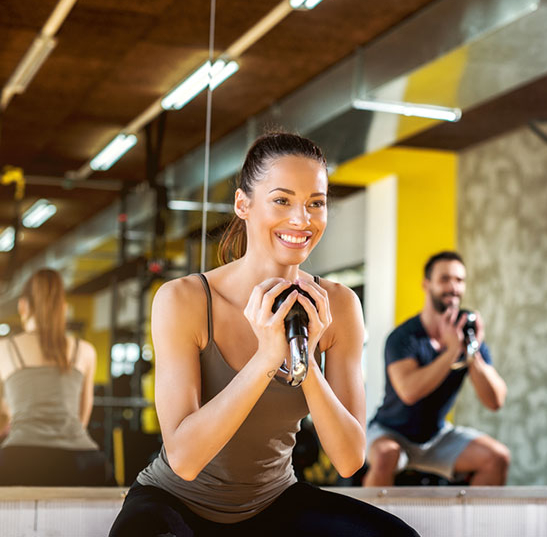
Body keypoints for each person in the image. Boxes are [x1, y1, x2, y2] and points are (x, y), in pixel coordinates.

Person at [109, 132, 418, 536]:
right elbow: (184, 459)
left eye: (316, 203)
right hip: (176, 503)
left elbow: (348, 459)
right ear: (243, 204)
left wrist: (303, 360)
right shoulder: (184, 300)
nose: (301, 219)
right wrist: (266, 359)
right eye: (282, 200)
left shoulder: (338, 306)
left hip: (273, 502)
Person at [363, 251, 510, 486]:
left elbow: (495, 401)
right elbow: (409, 392)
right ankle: (368, 523)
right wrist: (451, 351)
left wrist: (471, 352)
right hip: (391, 432)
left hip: (436, 436)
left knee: (497, 458)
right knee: (385, 455)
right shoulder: (403, 337)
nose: (453, 287)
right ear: (426, 284)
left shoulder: (466, 336)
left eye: (459, 280)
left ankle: (471, 524)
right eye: (445, 279)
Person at [0, 268, 110, 486]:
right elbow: (80, 422)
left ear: (23, 306)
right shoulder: (85, 350)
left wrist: (9, 407)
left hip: (20, 461)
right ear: (64, 308)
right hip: (85, 464)